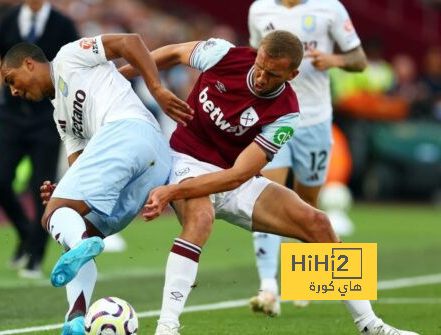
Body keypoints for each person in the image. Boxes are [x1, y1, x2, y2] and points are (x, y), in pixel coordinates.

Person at [119, 31, 417, 335]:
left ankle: (372, 326)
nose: (260, 77)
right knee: (201, 218)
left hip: (235, 175)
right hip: (186, 159)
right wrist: (119, 78)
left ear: (292, 74)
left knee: (318, 223)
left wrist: (172, 192)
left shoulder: (287, 114)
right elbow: (171, 52)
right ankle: (167, 327)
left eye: (272, 74)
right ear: (257, 52)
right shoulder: (223, 54)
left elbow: (238, 175)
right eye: (259, 66)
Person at [0, 34, 192, 334]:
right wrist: (65, 193)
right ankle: (75, 317)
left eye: (12, 79)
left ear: (28, 64)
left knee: (53, 218)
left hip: (129, 131)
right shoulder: (61, 116)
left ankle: (290, 282)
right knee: (77, 226)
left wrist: (156, 88)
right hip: (152, 163)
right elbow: (82, 164)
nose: (12, 90)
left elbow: (129, 41)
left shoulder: (68, 56)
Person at [247, 0, 368, 314]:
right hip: (274, 118)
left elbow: (360, 60)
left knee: (307, 204)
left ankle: (307, 282)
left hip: (314, 121)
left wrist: (334, 59)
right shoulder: (259, 10)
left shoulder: (331, 8)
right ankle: (268, 288)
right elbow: (253, 59)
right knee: (267, 198)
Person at [0, 0, 79, 279]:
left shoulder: (64, 25)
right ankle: (26, 233)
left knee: (42, 186)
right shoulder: (10, 20)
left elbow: (74, 70)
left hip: (47, 119)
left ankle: (35, 256)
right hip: (12, 118)